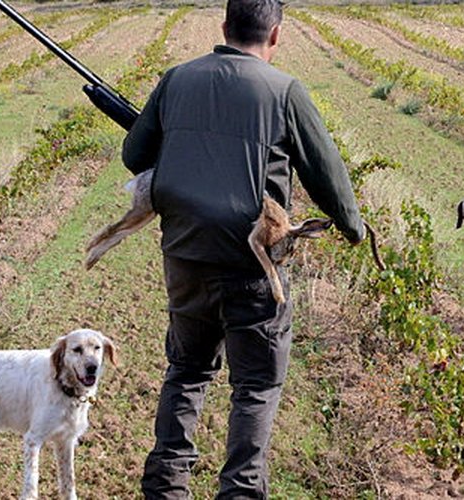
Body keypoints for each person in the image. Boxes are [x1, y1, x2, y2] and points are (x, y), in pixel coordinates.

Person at [120, 0, 365, 498]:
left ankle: (165, 488)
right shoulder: (284, 91)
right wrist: (354, 228)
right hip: (253, 268)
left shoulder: (176, 79)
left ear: (224, 27)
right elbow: (327, 176)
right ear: (275, 35)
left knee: (187, 370)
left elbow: (134, 156)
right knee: (255, 385)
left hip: (185, 257)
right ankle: (240, 491)